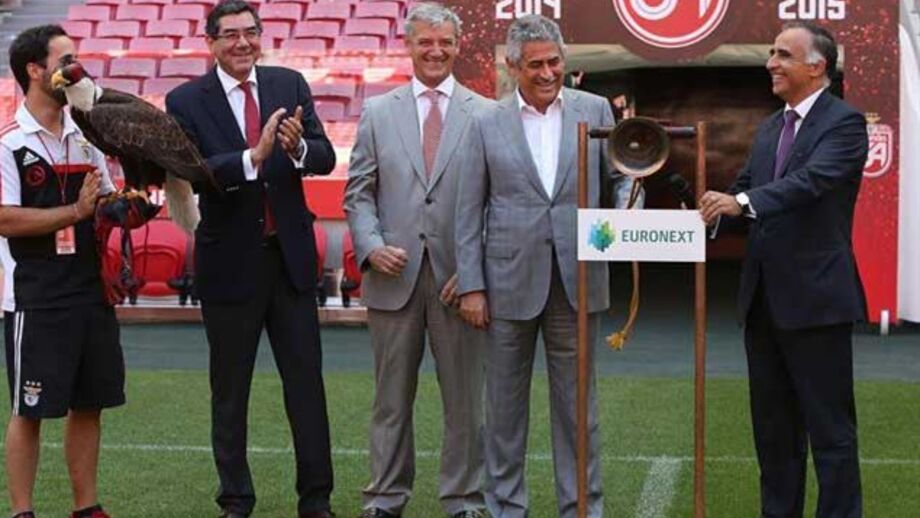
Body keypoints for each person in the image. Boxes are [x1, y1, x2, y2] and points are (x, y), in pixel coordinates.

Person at [454, 14, 634, 518]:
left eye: (555, 61)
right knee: (504, 411)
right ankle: (507, 508)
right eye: (536, 64)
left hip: (579, 279)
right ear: (513, 66)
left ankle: (582, 508)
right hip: (506, 284)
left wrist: (623, 218)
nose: (548, 72)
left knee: (579, 410)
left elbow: (624, 177)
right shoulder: (485, 122)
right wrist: (471, 286)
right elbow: (468, 211)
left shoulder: (595, 109)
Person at [164, 1, 336, 516]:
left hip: (291, 262)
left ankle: (316, 499)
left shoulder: (289, 83)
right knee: (230, 391)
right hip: (229, 264)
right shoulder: (186, 99)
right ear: (210, 42)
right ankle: (236, 499)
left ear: (262, 37)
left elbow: (323, 154)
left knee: (306, 387)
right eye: (231, 34)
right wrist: (252, 157)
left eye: (251, 32)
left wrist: (298, 148)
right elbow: (193, 170)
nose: (243, 43)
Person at [699, 22, 868, 518]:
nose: (770, 62)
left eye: (782, 54)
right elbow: (746, 188)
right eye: (771, 52)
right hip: (764, 303)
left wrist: (740, 201)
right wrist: (707, 210)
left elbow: (811, 182)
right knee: (774, 434)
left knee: (831, 433)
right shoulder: (772, 125)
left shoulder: (845, 123)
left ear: (816, 66)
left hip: (817, 302)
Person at [343, 3, 491, 518]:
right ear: (408, 46)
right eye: (425, 42)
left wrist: (474, 274)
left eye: (444, 42)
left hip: (460, 283)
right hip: (392, 279)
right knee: (390, 403)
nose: (435, 51)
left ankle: (465, 501)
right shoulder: (379, 112)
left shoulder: (486, 113)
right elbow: (358, 192)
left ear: (457, 46)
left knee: (466, 404)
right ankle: (384, 499)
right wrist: (370, 244)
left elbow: (497, 199)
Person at [0, 25, 121, 518]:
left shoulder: (87, 134)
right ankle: (23, 512)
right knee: (30, 410)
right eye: (66, 58)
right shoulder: (8, 142)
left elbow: (107, 198)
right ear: (36, 69)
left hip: (91, 289)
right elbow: (4, 218)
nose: (77, 66)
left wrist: (125, 209)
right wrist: (75, 212)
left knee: (89, 403)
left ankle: (85, 507)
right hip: (35, 292)